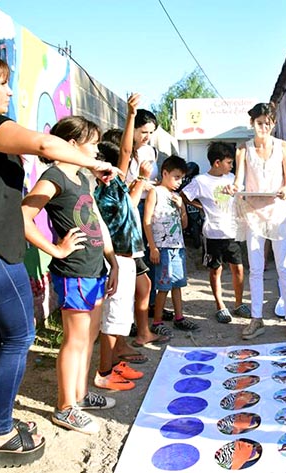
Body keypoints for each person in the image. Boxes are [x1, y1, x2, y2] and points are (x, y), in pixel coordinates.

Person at [0, 52, 116, 468]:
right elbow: (43, 144)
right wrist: (94, 161)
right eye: (2, 84)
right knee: (17, 337)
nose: (10, 91)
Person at [21, 116, 120, 435]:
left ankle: (79, 395)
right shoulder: (53, 177)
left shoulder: (81, 178)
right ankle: (65, 408)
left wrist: (112, 260)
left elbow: (96, 222)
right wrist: (56, 249)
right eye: (92, 143)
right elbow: (23, 216)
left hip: (95, 268)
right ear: (73, 145)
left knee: (89, 338)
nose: (96, 150)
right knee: (75, 340)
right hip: (74, 272)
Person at [92, 127, 161, 392]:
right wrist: (131, 113)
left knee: (121, 318)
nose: (130, 162)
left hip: (129, 256)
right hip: (117, 259)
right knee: (112, 320)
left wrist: (141, 179)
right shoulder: (107, 187)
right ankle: (104, 372)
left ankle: (117, 363)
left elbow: (131, 205)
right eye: (127, 159)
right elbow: (124, 151)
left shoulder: (118, 185)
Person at [229, 102, 286, 339]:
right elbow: (238, 181)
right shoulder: (243, 150)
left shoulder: (283, 147)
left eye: (267, 123)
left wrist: (285, 190)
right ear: (252, 124)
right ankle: (256, 318)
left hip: (277, 212)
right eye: (259, 123)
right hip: (252, 214)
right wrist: (233, 188)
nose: (263, 127)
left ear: (273, 123)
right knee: (256, 268)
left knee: (284, 266)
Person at [117, 97, 177, 327]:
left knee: (154, 256)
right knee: (136, 258)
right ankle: (132, 313)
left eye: (151, 132)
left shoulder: (151, 152)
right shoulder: (125, 152)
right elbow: (128, 183)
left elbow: (150, 180)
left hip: (150, 204)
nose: (147, 136)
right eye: (143, 131)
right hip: (132, 207)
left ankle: (150, 305)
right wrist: (141, 182)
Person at [182, 141, 250, 323]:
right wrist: (201, 206)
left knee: (239, 268)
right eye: (228, 162)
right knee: (215, 269)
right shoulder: (200, 181)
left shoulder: (232, 179)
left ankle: (238, 303)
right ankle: (220, 306)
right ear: (217, 162)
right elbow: (184, 196)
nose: (231, 166)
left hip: (232, 232)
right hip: (212, 233)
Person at [143, 156, 200, 334]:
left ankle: (179, 317)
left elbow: (184, 225)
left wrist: (182, 207)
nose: (179, 181)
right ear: (165, 173)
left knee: (178, 284)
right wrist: (152, 247)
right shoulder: (155, 192)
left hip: (178, 247)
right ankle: (157, 322)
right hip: (162, 247)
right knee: (163, 285)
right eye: (176, 177)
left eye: (181, 178)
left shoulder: (176, 196)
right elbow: (147, 220)